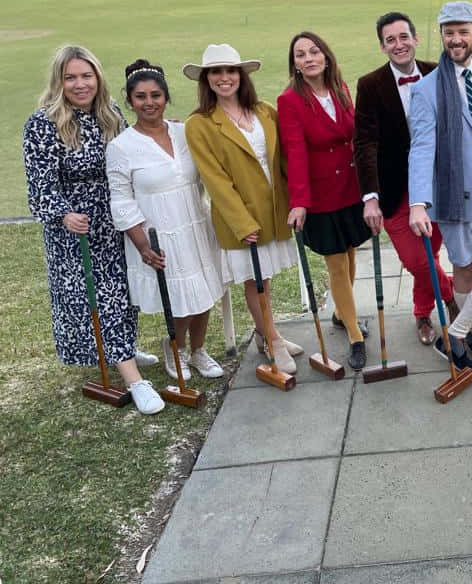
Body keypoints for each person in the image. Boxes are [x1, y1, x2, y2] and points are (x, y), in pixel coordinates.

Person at [23, 46, 164, 414]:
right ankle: (133, 379)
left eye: (86, 76)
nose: (80, 84)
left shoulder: (111, 113)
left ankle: (123, 349)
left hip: (115, 219)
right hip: (76, 229)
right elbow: (40, 187)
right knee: (99, 297)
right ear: (59, 81)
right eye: (70, 77)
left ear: (97, 77)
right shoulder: (43, 123)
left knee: (123, 289)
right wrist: (63, 214)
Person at [183, 44, 301, 374]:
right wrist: (240, 222)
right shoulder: (200, 124)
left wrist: (298, 200)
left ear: (241, 75)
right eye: (216, 73)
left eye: (231, 71)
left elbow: (283, 159)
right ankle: (273, 340)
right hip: (241, 215)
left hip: (274, 209)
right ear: (206, 79)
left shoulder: (264, 111)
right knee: (255, 280)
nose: (225, 78)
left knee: (265, 279)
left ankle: (267, 335)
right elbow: (215, 180)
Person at [408, 1, 472, 371]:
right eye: (449, 32)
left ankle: (455, 330)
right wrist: (418, 202)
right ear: (441, 35)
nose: (456, 39)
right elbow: (421, 148)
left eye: (463, 31)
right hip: (455, 196)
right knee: (465, 270)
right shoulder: (426, 90)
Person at [106, 60, 226, 382]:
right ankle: (175, 347)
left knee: (205, 292)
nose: (149, 103)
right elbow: (121, 200)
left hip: (196, 225)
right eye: (141, 96)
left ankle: (198, 350)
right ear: (130, 101)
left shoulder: (185, 131)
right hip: (158, 235)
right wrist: (143, 245)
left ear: (166, 97)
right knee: (181, 300)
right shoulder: (121, 147)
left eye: (156, 95)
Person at [355, 12, 458, 346]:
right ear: (382, 46)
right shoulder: (370, 85)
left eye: (403, 37)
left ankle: (421, 313)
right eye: (390, 40)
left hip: (437, 187)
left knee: (430, 254)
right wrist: (370, 195)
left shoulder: (438, 72)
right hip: (395, 190)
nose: (398, 45)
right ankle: (454, 300)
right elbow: (364, 142)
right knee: (417, 260)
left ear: (415, 38)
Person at [278, 31, 372, 369]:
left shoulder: (341, 89)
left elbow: (356, 136)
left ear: (326, 56)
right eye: (300, 55)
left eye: (314, 51)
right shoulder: (289, 101)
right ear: (296, 66)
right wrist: (299, 201)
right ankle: (354, 334)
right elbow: (296, 152)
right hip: (320, 195)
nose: (308, 58)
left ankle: (339, 313)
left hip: (351, 188)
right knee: (335, 263)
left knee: (350, 252)